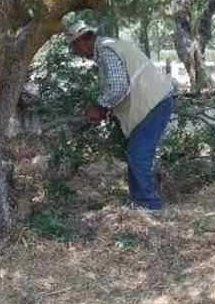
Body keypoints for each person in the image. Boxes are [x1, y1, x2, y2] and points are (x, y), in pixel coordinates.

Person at [66, 22, 174, 210]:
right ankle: (140, 202)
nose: (81, 56)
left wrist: (99, 106)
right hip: (154, 102)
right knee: (136, 153)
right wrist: (105, 108)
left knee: (138, 154)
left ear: (80, 43)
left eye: (77, 50)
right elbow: (121, 87)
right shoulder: (110, 46)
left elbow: (118, 87)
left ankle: (148, 205)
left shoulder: (107, 50)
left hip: (153, 104)